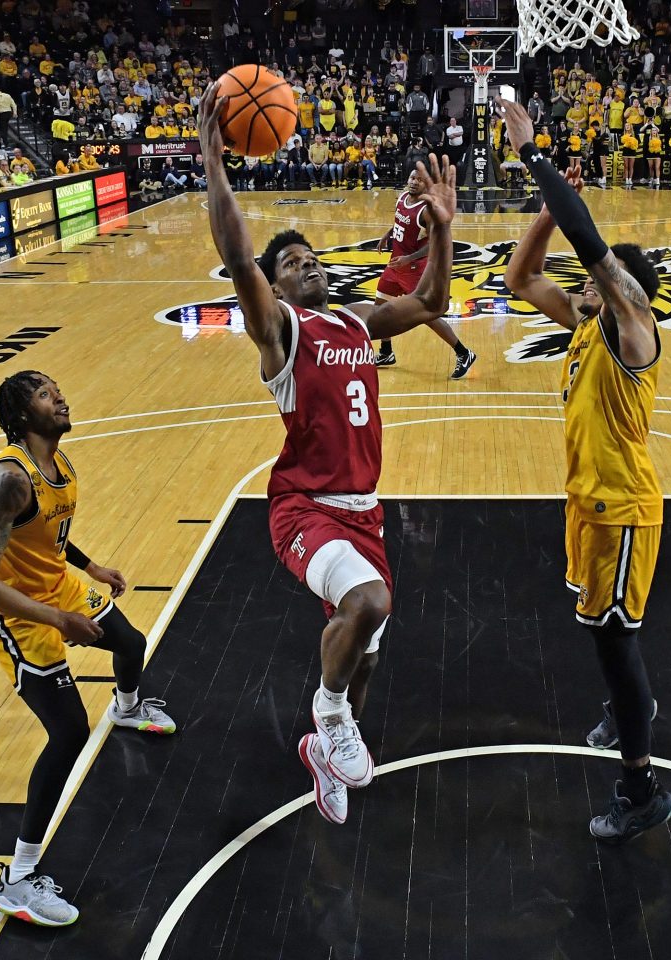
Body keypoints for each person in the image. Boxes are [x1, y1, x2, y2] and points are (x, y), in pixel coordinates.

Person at [199, 81, 457, 826]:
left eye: (312, 259)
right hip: (302, 509)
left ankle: (326, 740)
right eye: (293, 265)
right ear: (274, 289)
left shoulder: (351, 320)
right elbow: (237, 254)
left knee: (364, 646)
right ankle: (329, 711)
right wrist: (217, 165)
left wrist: (440, 228)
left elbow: (434, 304)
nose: (308, 266)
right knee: (368, 604)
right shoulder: (282, 335)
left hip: (362, 511)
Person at [497, 96, 671, 843]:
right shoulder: (583, 327)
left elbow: (588, 242)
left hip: (625, 508)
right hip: (586, 506)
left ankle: (641, 788)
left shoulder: (631, 328)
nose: (581, 282)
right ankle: (624, 707)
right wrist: (545, 200)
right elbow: (518, 276)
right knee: (603, 633)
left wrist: (534, 154)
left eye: (597, 277)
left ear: (620, 289)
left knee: (615, 640)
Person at [0, 371, 177, 927]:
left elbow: (46, 533)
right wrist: (58, 619)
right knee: (69, 734)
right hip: (9, 609)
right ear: (20, 415)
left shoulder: (60, 464)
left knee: (131, 642)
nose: (58, 397)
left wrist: (90, 568)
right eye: (43, 394)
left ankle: (127, 709)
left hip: (55, 584)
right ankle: (18, 879)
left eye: (58, 388)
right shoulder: (9, 480)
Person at [372, 166, 477, 378]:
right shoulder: (402, 198)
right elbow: (400, 222)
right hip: (395, 265)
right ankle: (386, 352)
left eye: (419, 180)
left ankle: (463, 352)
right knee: (381, 303)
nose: (414, 182)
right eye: (412, 177)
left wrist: (408, 259)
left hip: (413, 269)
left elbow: (435, 244)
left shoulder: (428, 210)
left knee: (426, 314)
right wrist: (388, 234)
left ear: (426, 185)